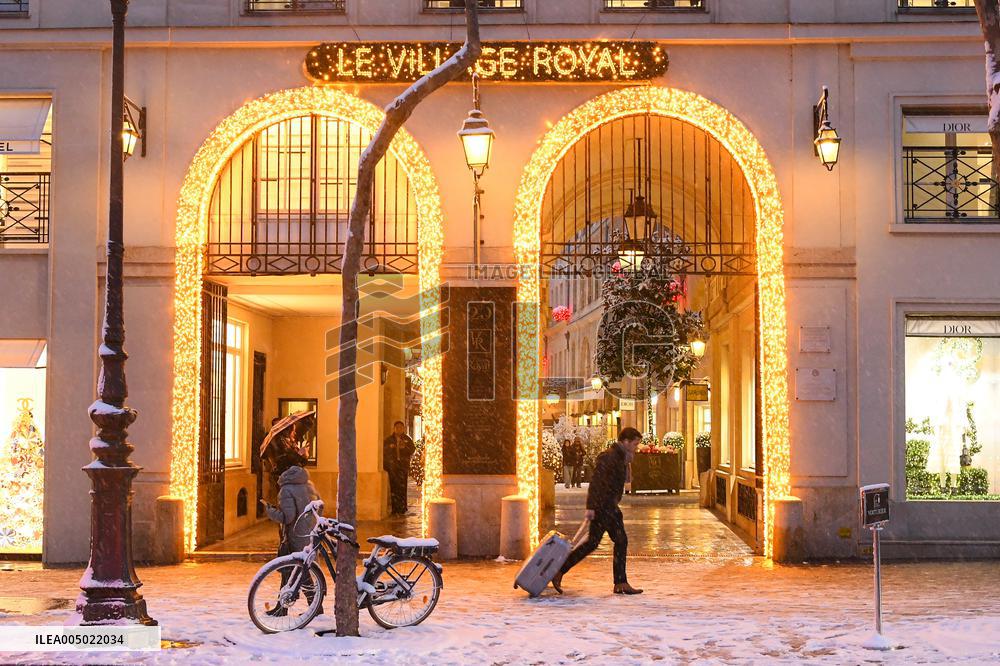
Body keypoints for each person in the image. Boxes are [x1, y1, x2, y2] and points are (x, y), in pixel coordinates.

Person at [551, 427, 644, 596]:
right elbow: (596, 483)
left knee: (592, 543)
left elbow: (624, 481)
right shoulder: (610, 457)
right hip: (605, 507)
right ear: (626, 442)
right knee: (621, 540)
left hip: (607, 506)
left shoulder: (621, 457)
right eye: (635, 444)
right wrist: (591, 507)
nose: (636, 448)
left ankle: (560, 570)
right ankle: (620, 582)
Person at [383, 420, 415, 515]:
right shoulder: (389, 440)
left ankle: (402, 507)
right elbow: (384, 451)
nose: (399, 429)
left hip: (403, 467)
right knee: (394, 488)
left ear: (403, 429)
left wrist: (404, 448)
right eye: (397, 427)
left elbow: (412, 450)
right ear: (394, 428)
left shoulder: (407, 439)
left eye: (401, 428)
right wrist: (391, 448)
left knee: (402, 487)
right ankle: (395, 508)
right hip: (393, 468)